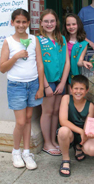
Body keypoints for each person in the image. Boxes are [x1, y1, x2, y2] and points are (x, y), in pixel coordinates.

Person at [0, 8, 44, 170]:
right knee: (20, 121)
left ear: (28, 23)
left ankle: (27, 152)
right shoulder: (8, 41)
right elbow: (2, 68)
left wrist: (40, 86)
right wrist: (16, 56)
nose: (21, 25)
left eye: (24, 21)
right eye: (17, 21)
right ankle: (16, 151)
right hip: (16, 86)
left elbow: (39, 64)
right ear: (12, 23)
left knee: (28, 119)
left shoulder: (34, 39)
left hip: (32, 84)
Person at [37, 9, 70, 156]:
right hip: (47, 82)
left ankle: (53, 140)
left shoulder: (61, 38)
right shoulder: (37, 40)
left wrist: (63, 82)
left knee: (57, 112)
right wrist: (45, 85)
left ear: (56, 23)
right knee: (47, 112)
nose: (49, 24)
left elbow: (67, 62)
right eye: (46, 21)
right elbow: (38, 64)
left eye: (52, 21)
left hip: (59, 81)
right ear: (41, 23)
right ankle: (46, 143)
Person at [57, 75, 94, 177]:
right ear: (71, 89)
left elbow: (88, 125)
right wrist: (80, 131)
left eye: (82, 89)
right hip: (70, 133)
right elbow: (63, 121)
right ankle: (66, 159)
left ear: (87, 90)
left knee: (93, 150)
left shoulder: (90, 106)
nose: (78, 91)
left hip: (82, 134)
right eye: (76, 88)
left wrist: (87, 134)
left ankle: (79, 146)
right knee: (63, 131)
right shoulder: (66, 98)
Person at [63, 13, 93, 87]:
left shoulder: (83, 44)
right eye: (68, 25)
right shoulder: (62, 40)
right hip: (61, 75)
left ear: (78, 25)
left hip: (73, 76)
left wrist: (83, 62)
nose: (71, 27)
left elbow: (79, 62)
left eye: (74, 24)